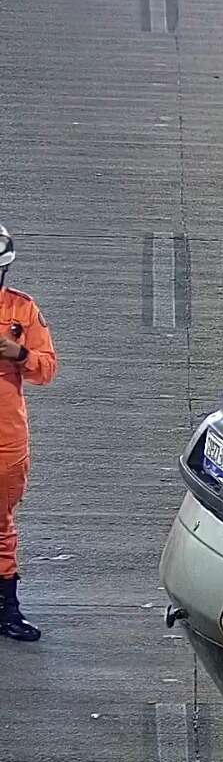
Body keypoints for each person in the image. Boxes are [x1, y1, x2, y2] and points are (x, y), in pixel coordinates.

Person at [0, 224, 58, 642]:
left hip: (6, 441)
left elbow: (47, 368)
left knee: (1, 526)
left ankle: (7, 610)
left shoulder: (22, 311)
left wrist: (18, 353)